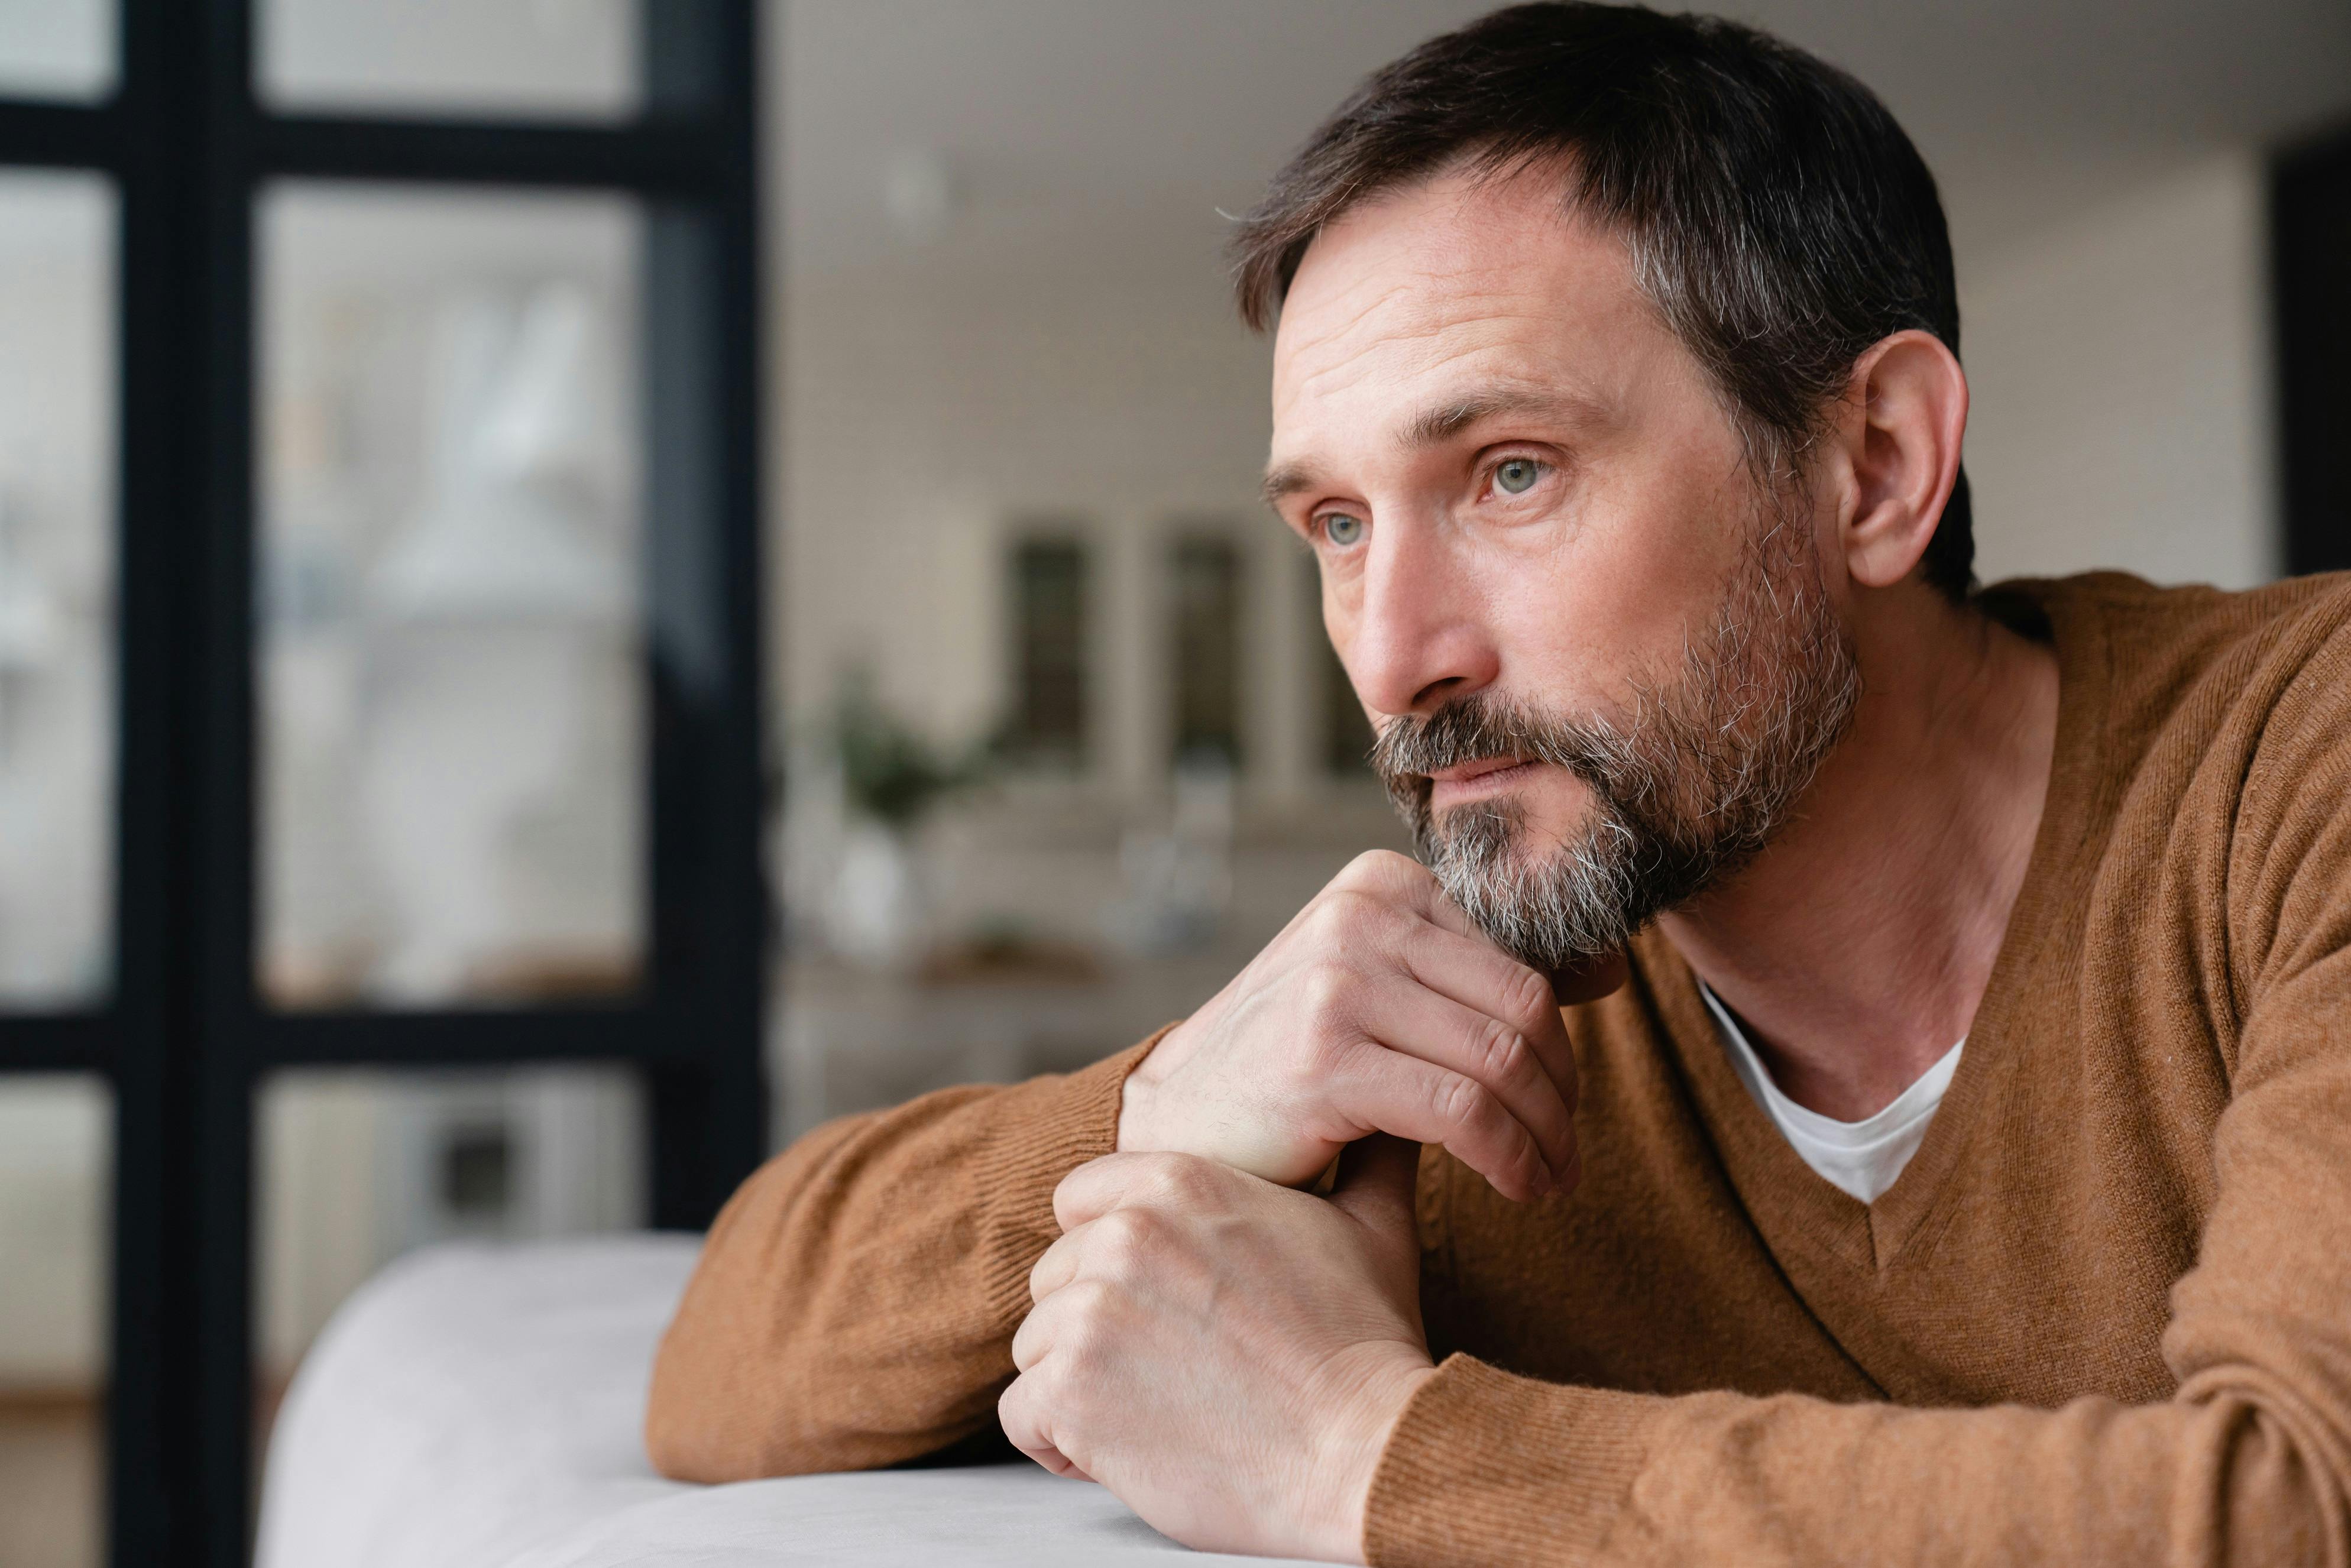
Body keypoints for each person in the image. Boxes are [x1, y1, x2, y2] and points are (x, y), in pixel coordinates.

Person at [646, 5, 2351, 1562]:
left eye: (1511, 473)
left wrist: (1357, 1446)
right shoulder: (1487, 1049)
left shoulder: (2297, 767)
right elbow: (723, 1358)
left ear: (1876, 463)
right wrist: (1163, 1100)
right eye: (1335, 524)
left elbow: (2297, 1504)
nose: (1393, 658)